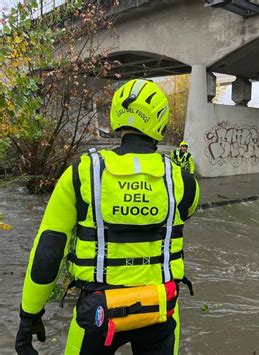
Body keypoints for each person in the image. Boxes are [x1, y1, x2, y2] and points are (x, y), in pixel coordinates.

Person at [15, 79, 200, 355]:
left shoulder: (81, 174)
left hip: (97, 312)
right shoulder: (184, 182)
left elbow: (49, 249)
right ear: (160, 121)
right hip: (160, 310)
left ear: (116, 116)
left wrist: (30, 315)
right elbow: (184, 212)